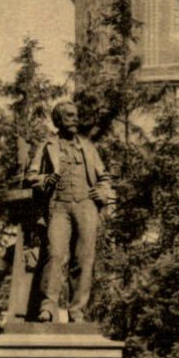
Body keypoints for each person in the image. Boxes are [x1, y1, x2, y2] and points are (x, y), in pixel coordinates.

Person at [26, 101, 113, 322]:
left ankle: (77, 311)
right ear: (58, 120)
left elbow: (104, 178)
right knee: (54, 254)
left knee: (84, 259)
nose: (75, 119)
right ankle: (48, 307)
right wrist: (45, 179)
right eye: (69, 116)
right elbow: (30, 176)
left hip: (86, 205)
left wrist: (102, 193)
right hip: (59, 206)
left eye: (76, 115)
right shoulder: (48, 146)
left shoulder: (88, 147)